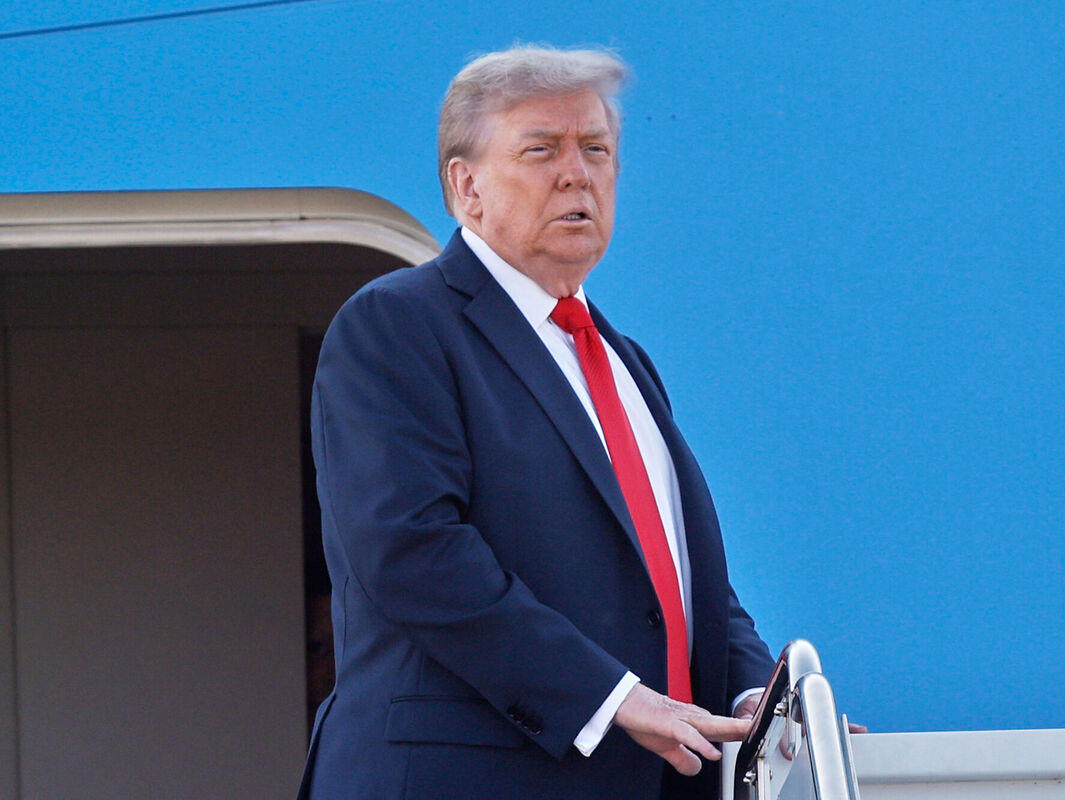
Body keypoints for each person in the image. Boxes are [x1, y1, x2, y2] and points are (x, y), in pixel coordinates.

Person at [296, 45, 776, 800]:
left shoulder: (625, 362)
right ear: (467, 188)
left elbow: (676, 578)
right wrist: (612, 697)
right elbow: (412, 551)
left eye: (596, 149)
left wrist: (759, 702)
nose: (577, 174)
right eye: (542, 149)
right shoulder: (397, 324)